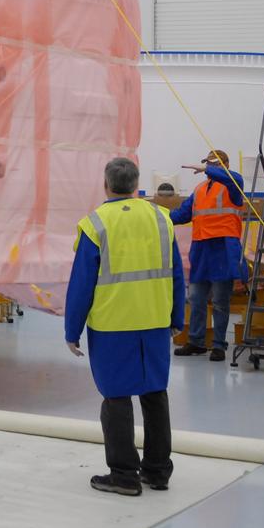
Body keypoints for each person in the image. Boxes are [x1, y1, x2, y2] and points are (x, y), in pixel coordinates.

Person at [65, 157, 185, 496]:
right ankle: (158, 472)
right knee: (155, 394)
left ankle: (124, 475)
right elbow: (177, 275)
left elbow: (81, 283)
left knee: (116, 399)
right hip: (155, 321)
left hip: (112, 325)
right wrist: (177, 318)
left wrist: (71, 331)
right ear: (136, 187)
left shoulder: (95, 224)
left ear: (106, 185)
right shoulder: (162, 218)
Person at [170, 150, 246, 362]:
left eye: (214, 164)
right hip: (202, 249)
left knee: (221, 300)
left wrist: (208, 169)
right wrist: (157, 216)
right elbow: (182, 214)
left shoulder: (232, 186)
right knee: (196, 299)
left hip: (222, 249)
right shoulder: (200, 189)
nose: (209, 169)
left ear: (226, 165)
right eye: (208, 164)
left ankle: (219, 345)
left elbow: (236, 178)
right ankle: (196, 342)